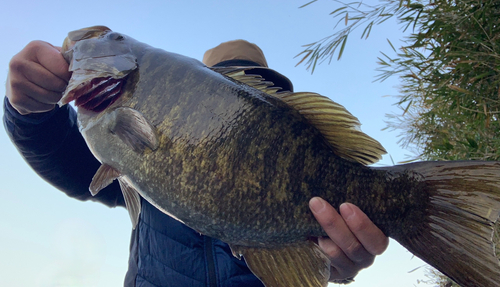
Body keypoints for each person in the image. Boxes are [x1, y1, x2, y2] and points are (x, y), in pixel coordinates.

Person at [4, 38, 389, 286]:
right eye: (230, 81)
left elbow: (308, 265)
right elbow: (62, 157)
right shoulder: (137, 170)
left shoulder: (301, 145)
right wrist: (28, 112)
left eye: (257, 86)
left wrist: (332, 264)